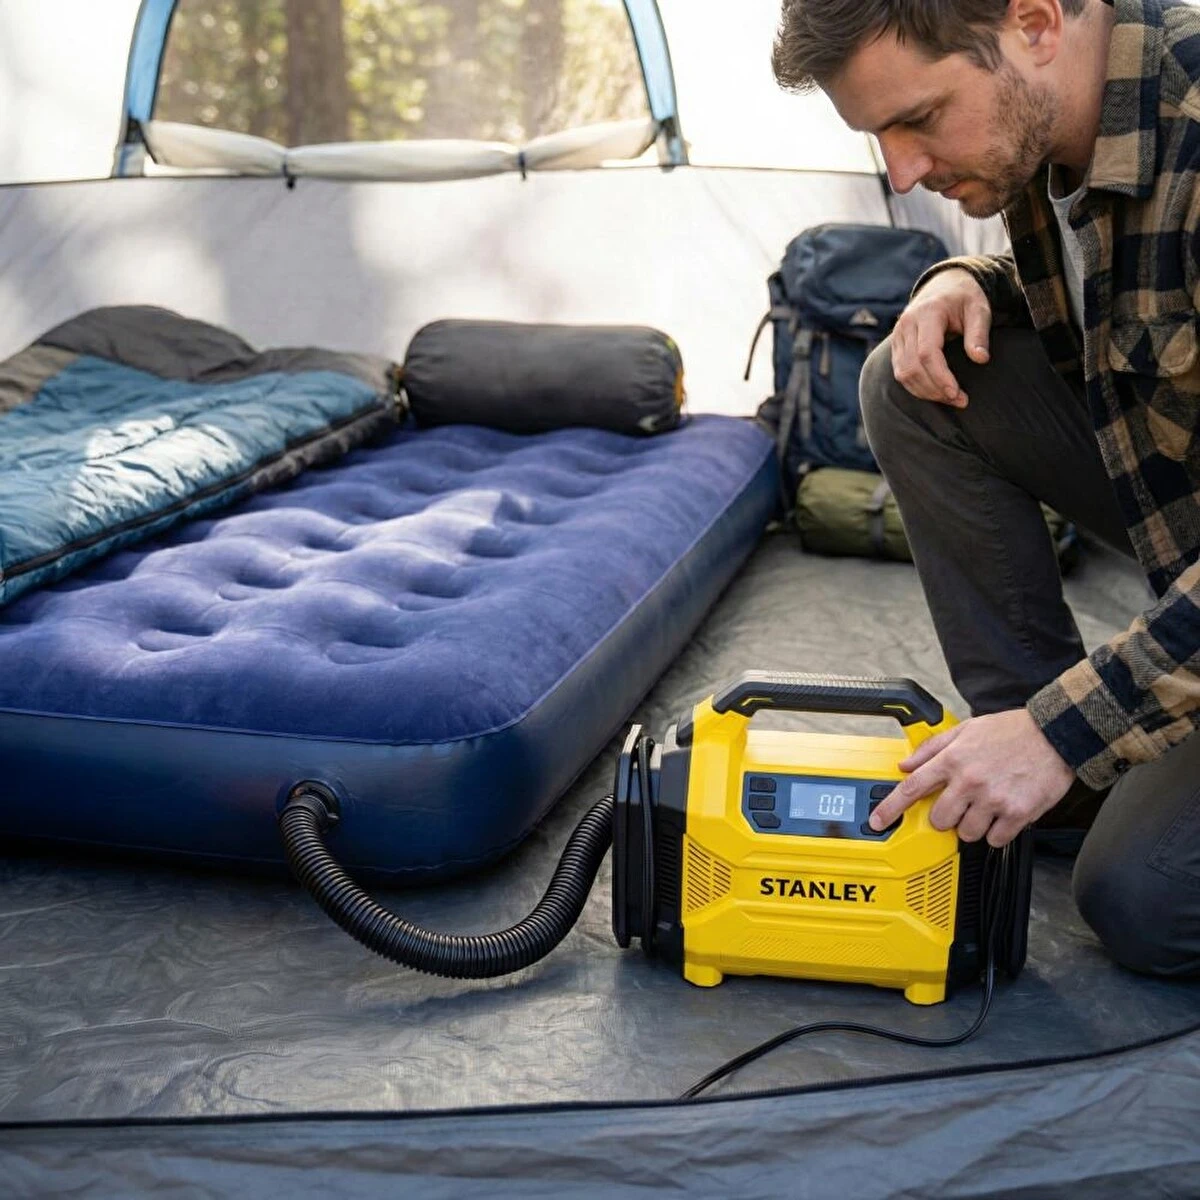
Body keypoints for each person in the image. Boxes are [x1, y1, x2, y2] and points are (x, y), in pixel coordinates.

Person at [772, 0, 1199, 976]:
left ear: (1036, 23)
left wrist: (1065, 730)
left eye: (919, 119)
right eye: (879, 138)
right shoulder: (1061, 124)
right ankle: (1056, 784)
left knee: (1143, 897)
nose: (901, 173)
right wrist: (968, 279)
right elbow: (1137, 274)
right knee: (912, 382)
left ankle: (1057, 756)